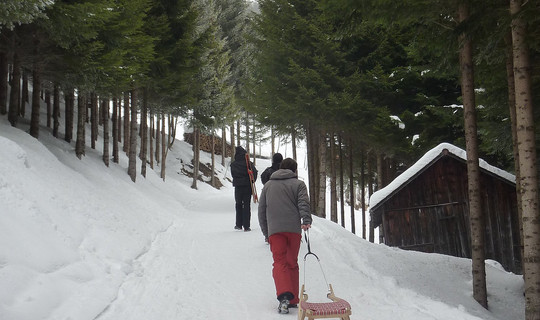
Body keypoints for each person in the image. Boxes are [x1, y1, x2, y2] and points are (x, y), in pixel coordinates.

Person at [258, 158, 312, 314]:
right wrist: (306, 220)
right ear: (294, 170)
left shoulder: (268, 186)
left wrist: (266, 232)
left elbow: (261, 211)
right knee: (292, 263)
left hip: (275, 230)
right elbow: (303, 203)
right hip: (293, 230)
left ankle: (284, 297)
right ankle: (293, 299)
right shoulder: (299, 184)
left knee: (279, 262)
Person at [230, 146, 258, 232]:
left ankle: (238, 224)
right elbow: (254, 173)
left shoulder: (233, 164)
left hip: (238, 187)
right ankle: (246, 226)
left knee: (238, 204)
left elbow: (233, 175)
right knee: (246, 205)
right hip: (247, 186)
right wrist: (252, 181)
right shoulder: (248, 163)